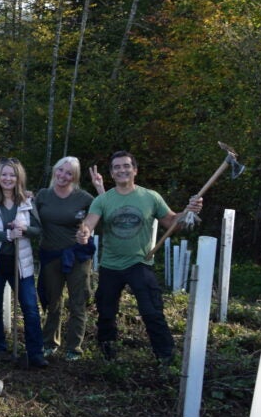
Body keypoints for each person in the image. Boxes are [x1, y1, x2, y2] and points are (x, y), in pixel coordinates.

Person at [77, 151, 202, 364]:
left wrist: (189, 211)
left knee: (152, 311)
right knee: (106, 312)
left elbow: (172, 221)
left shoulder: (150, 197)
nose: (122, 170)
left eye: (126, 166)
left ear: (135, 170)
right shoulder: (103, 200)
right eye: (117, 167)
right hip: (110, 265)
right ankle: (108, 352)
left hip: (140, 263)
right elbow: (89, 222)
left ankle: (165, 356)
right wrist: (84, 232)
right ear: (112, 174)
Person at [0, 158, 48, 367]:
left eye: (12, 175)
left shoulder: (27, 201)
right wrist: (7, 235)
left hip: (20, 263)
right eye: (4, 174)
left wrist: (23, 229)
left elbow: (38, 230)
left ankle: (35, 352)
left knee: (29, 307)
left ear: (19, 178)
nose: (8, 179)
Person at [36, 156, 100, 361]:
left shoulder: (85, 198)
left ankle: (74, 347)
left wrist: (100, 189)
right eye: (60, 170)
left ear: (75, 177)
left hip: (77, 256)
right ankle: (49, 342)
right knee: (52, 301)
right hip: (49, 255)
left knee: (77, 301)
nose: (63, 175)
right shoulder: (43, 195)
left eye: (69, 173)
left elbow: (104, 212)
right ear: (54, 170)